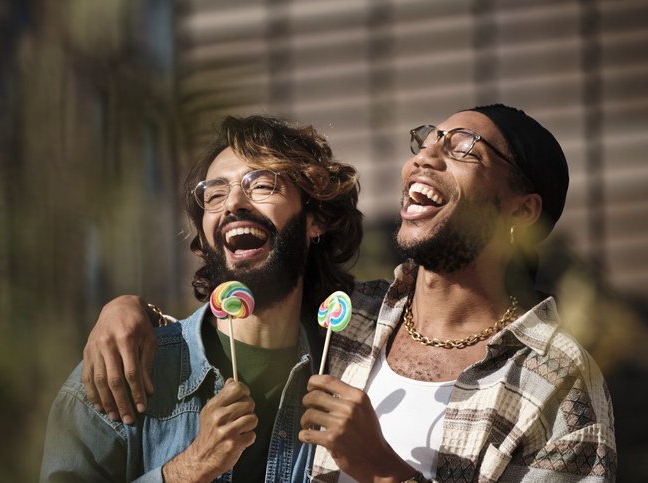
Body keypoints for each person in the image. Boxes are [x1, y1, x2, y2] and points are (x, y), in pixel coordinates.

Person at [82, 105, 617, 482]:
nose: (423, 160)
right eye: (425, 143)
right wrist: (129, 311)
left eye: (461, 150)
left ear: (522, 211)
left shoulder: (559, 380)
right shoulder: (349, 315)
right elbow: (237, 320)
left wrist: (383, 471)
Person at [40, 115, 363, 482]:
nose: (234, 204)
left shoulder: (355, 371)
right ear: (204, 238)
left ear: (315, 219)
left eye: (261, 185)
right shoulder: (117, 376)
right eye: (215, 194)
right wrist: (187, 469)